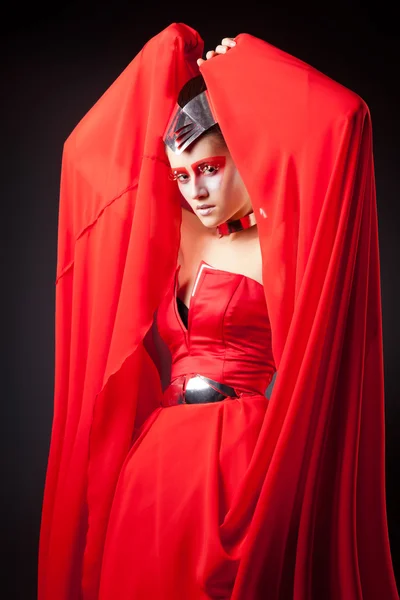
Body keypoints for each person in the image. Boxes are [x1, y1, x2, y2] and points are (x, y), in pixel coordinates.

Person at [38, 23, 399, 600]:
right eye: (181, 176)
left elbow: (346, 117)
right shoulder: (172, 229)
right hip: (156, 464)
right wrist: (162, 60)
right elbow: (82, 153)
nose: (196, 191)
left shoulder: (285, 235)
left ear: (243, 153)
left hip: (238, 461)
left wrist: (254, 65)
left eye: (209, 168)